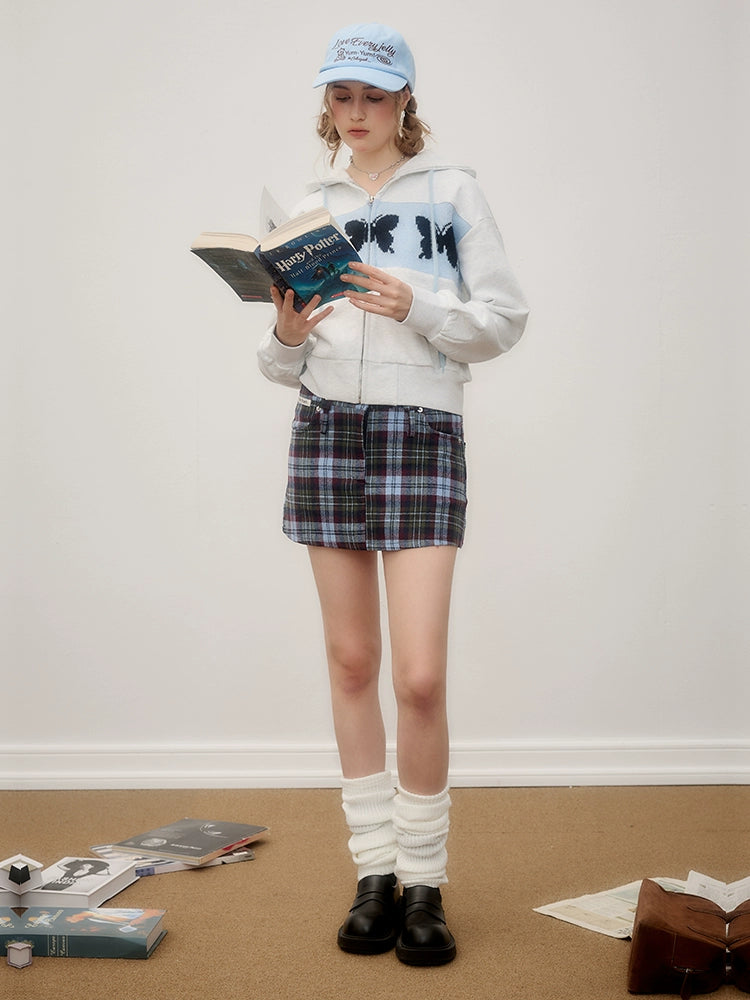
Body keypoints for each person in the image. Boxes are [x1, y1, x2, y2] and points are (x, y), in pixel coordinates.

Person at [257, 23, 528, 966]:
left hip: (421, 430)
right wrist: (287, 333)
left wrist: (419, 305)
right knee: (349, 662)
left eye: (374, 95)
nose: (357, 112)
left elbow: (504, 320)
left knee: (418, 675)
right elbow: (278, 366)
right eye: (341, 96)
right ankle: (374, 872)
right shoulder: (308, 207)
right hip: (327, 427)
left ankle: (424, 881)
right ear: (327, 103)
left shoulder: (453, 193)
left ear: (405, 98)